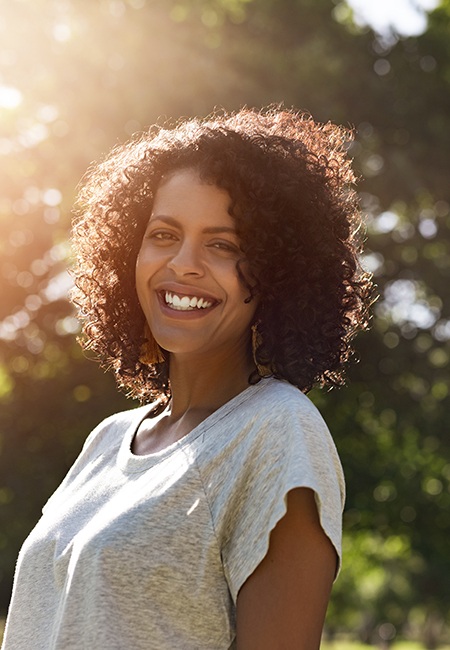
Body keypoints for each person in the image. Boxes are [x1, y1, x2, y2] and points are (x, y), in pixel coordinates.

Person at [2, 106, 372, 649]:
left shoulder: (279, 433)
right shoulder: (107, 440)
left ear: (277, 272)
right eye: (163, 234)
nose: (184, 264)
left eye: (222, 245)